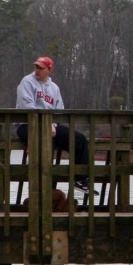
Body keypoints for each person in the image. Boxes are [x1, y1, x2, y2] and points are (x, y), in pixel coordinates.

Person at [16, 55, 90, 192]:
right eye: (36, 67)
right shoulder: (27, 82)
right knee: (42, 139)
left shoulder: (54, 88)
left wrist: (53, 125)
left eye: (41, 68)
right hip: (27, 124)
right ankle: (37, 177)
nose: (37, 70)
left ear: (49, 70)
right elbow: (28, 106)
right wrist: (46, 124)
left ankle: (80, 179)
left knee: (80, 140)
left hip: (50, 125)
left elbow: (59, 111)